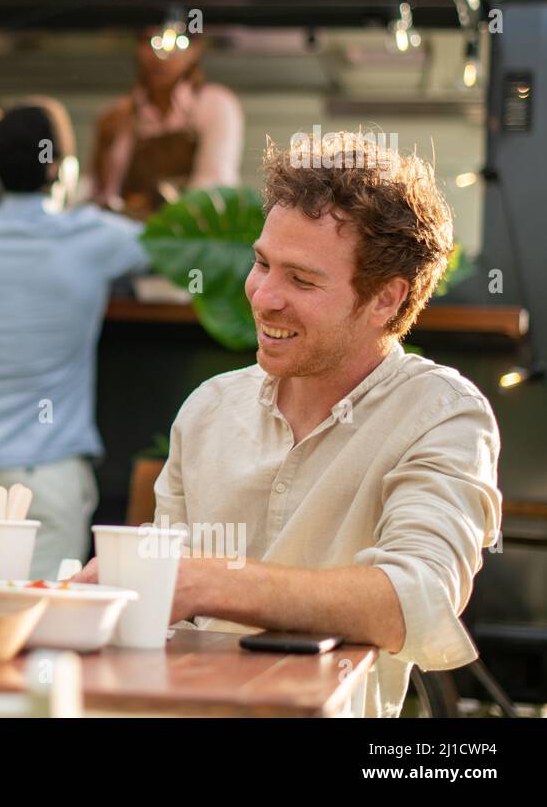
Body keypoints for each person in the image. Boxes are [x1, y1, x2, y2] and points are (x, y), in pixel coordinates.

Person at [72, 131, 502, 717]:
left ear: (385, 299)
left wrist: (208, 581)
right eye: (261, 263)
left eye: (301, 280)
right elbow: (164, 620)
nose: (263, 296)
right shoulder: (208, 411)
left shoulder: (440, 414)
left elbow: (419, 596)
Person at [0, 99, 150, 580]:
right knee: (41, 631)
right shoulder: (93, 237)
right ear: (58, 166)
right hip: (43, 476)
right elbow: (172, 247)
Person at [90, 26, 243, 218]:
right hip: (131, 233)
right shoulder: (117, 114)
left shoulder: (215, 104)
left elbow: (214, 185)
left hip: (195, 232)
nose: (159, 56)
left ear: (195, 50)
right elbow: (104, 195)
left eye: (175, 43)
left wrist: (168, 223)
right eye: (148, 42)